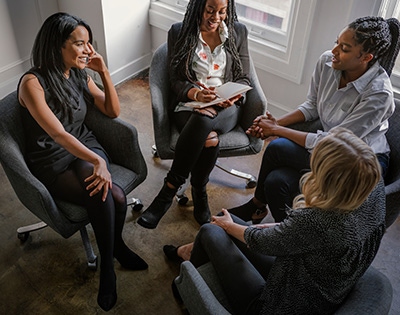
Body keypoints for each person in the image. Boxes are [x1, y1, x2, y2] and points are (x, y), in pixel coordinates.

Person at [168, 127, 386, 314]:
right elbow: (308, 239)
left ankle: (187, 285)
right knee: (230, 223)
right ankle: (190, 262)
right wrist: (278, 229)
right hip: (319, 281)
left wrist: (228, 226)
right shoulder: (374, 193)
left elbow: (266, 242)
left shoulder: (319, 221)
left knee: (211, 229)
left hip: (278, 305)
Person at [17, 13, 147, 311]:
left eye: (89, 43)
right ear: (56, 45)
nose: (88, 50)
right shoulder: (32, 83)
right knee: (106, 193)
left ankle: (116, 251)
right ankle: (109, 270)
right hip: (52, 157)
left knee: (111, 193)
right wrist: (98, 162)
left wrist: (104, 73)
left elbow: (112, 111)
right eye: (80, 44)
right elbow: (58, 133)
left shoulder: (78, 73)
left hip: (84, 145)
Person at [229, 16, 400, 223]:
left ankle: (260, 210)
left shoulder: (379, 94)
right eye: (336, 42)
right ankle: (283, 227)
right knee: (276, 182)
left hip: (359, 163)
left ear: (366, 58)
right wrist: (275, 123)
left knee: (277, 148)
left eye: (344, 48)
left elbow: (334, 141)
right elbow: (311, 106)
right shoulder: (327, 63)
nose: (335, 51)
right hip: (329, 146)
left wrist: (276, 130)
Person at [137, 0, 251, 229]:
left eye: (222, 12)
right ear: (198, 6)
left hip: (226, 108)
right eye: (210, 10)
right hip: (189, 105)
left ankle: (168, 191)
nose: (216, 17)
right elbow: (175, 81)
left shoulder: (238, 32)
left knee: (204, 120)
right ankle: (199, 191)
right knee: (208, 135)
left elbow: (244, 78)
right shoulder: (179, 32)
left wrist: (231, 96)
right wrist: (197, 95)